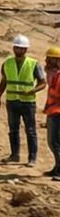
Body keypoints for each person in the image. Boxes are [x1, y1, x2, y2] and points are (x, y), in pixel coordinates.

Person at [0, 34, 45, 166]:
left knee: (31, 131)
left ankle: (32, 158)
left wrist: (32, 91)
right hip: (12, 101)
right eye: (17, 48)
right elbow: (4, 81)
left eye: (21, 48)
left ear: (26, 50)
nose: (19, 50)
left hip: (28, 102)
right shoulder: (7, 63)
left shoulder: (33, 64)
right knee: (13, 130)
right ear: (13, 48)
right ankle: (14, 155)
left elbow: (42, 83)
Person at [46, 47, 60, 178]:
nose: (48, 62)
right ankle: (57, 167)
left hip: (57, 112)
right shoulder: (53, 75)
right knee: (53, 142)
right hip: (52, 110)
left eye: (52, 59)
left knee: (55, 142)